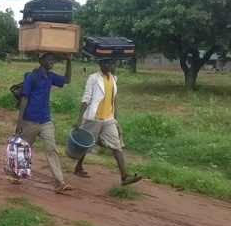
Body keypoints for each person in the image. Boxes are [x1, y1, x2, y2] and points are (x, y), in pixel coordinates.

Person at [73, 58, 142, 186]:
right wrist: (79, 119)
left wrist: (115, 118)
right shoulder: (93, 78)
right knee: (86, 144)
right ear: (100, 64)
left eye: (111, 63)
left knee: (116, 145)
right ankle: (78, 167)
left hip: (108, 119)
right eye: (106, 64)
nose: (109, 66)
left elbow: (113, 100)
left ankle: (124, 176)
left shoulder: (114, 79)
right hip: (93, 118)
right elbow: (86, 98)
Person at [16, 52, 74, 194]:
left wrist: (68, 61)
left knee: (51, 149)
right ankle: (15, 174)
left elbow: (66, 80)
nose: (52, 61)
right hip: (30, 120)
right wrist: (20, 122)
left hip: (45, 121)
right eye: (49, 59)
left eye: (53, 59)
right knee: (23, 149)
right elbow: (24, 99)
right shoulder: (32, 77)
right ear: (40, 60)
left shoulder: (51, 76)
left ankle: (59, 183)